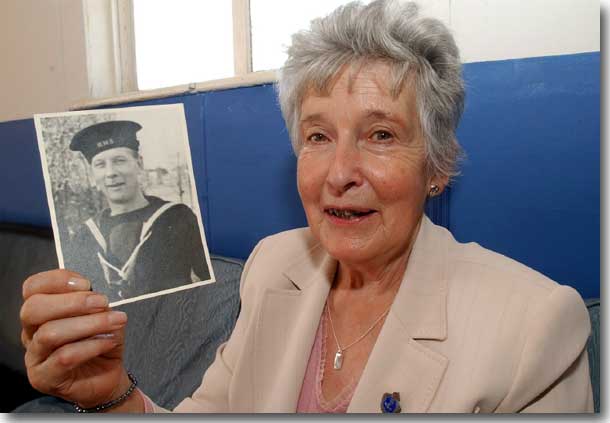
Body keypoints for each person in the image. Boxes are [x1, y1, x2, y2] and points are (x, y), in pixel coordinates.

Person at [20, 0, 592, 413]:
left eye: (382, 135)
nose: (339, 174)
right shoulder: (273, 266)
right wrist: (112, 393)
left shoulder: (533, 328)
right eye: (318, 137)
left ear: (437, 166)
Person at [65, 120, 209, 302]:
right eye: (100, 164)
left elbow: (211, 284)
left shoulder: (177, 217)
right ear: (93, 175)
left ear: (139, 163)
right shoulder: (84, 236)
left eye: (119, 161)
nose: (111, 173)